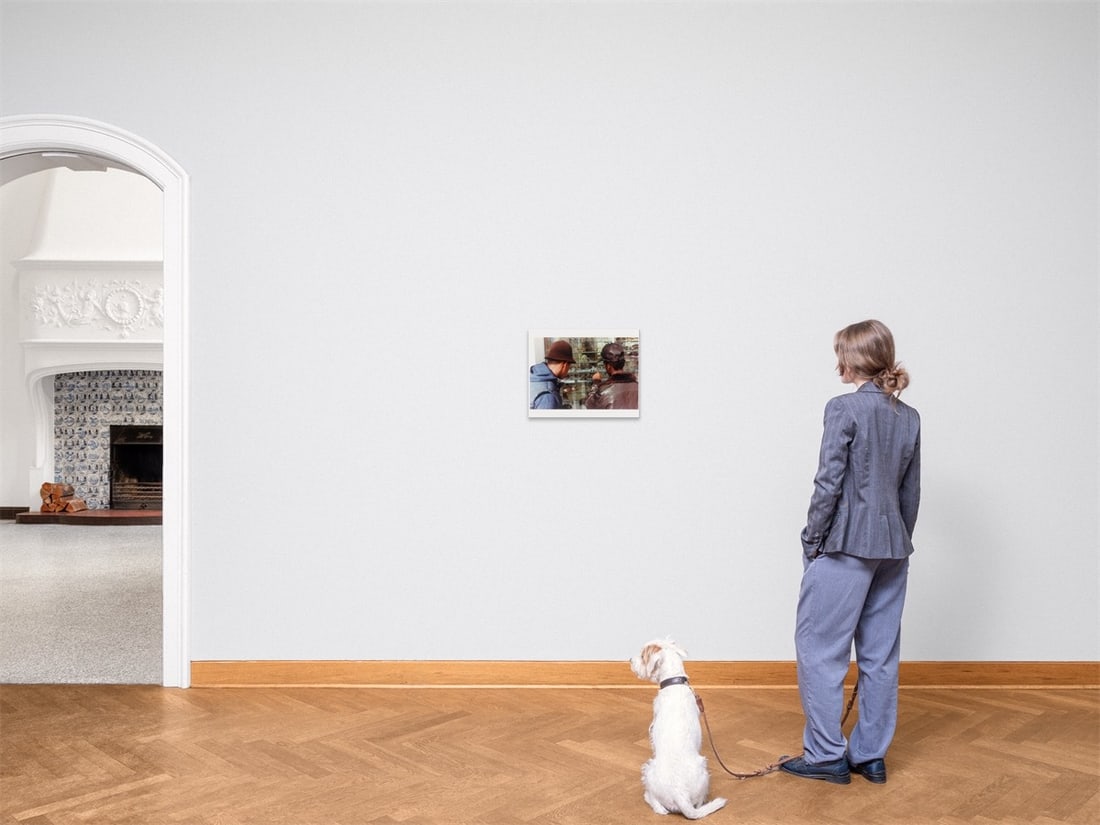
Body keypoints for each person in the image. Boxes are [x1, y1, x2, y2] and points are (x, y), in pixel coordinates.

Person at [781, 320, 921, 786]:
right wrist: (897, 540)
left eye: (840, 352)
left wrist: (811, 540)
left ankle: (824, 755)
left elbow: (828, 483)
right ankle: (870, 756)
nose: (836, 361)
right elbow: (909, 493)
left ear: (853, 359)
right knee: (880, 656)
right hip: (892, 548)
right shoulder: (909, 417)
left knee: (821, 651)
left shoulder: (843, 408)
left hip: (844, 545)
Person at [584, 342, 638, 410]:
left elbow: (589, 405)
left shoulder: (603, 391)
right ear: (623, 364)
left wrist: (596, 383)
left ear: (608, 366)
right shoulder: (638, 386)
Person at [529, 339, 575, 409]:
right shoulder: (548, 396)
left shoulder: (534, 376)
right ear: (564, 365)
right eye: (569, 367)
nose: (568, 371)